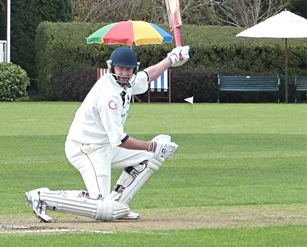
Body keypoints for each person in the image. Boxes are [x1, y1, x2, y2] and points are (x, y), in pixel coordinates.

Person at [25, 45, 189, 222]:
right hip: (86, 148)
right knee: (102, 209)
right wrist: (153, 145)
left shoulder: (128, 81)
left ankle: (119, 205)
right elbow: (120, 139)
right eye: (121, 68)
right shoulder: (107, 96)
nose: (124, 73)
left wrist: (172, 59)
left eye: (129, 69)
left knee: (149, 158)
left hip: (105, 145)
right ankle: (42, 197)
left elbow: (148, 76)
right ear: (112, 67)